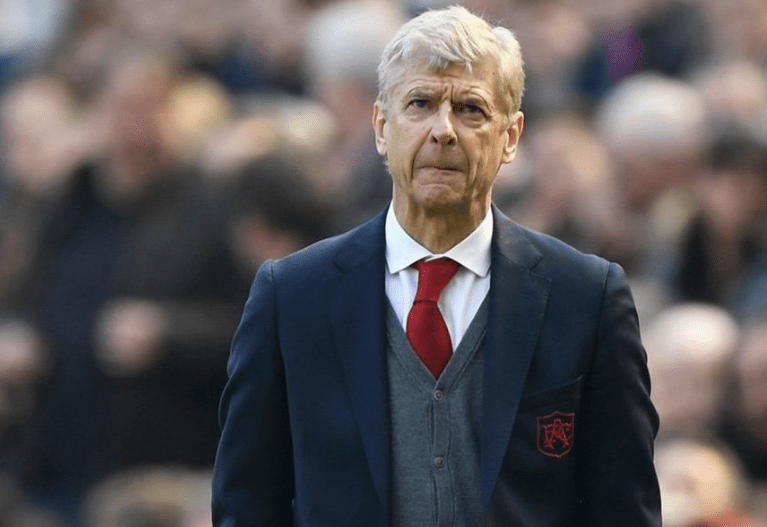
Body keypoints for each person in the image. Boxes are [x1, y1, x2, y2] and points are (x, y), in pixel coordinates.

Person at [211, 6, 661, 526]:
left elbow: (624, 511)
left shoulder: (587, 296)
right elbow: (246, 506)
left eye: (471, 109)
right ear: (382, 128)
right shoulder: (291, 295)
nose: (443, 130)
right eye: (420, 104)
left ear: (511, 137)